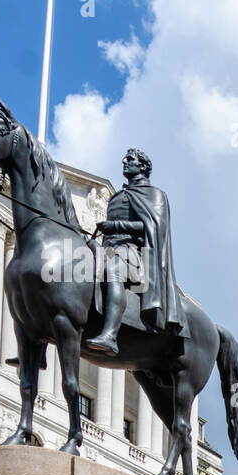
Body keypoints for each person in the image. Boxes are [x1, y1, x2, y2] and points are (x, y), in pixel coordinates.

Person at [87, 148, 188, 354]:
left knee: (113, 270)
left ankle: (110, 335)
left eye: (130, 159)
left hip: (134, 253)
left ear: (142, 166)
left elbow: (155, 227)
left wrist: (115, 226)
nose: (124, 161)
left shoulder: (155, 195)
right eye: (125, 158)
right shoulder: (118, 196)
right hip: (109, 248)